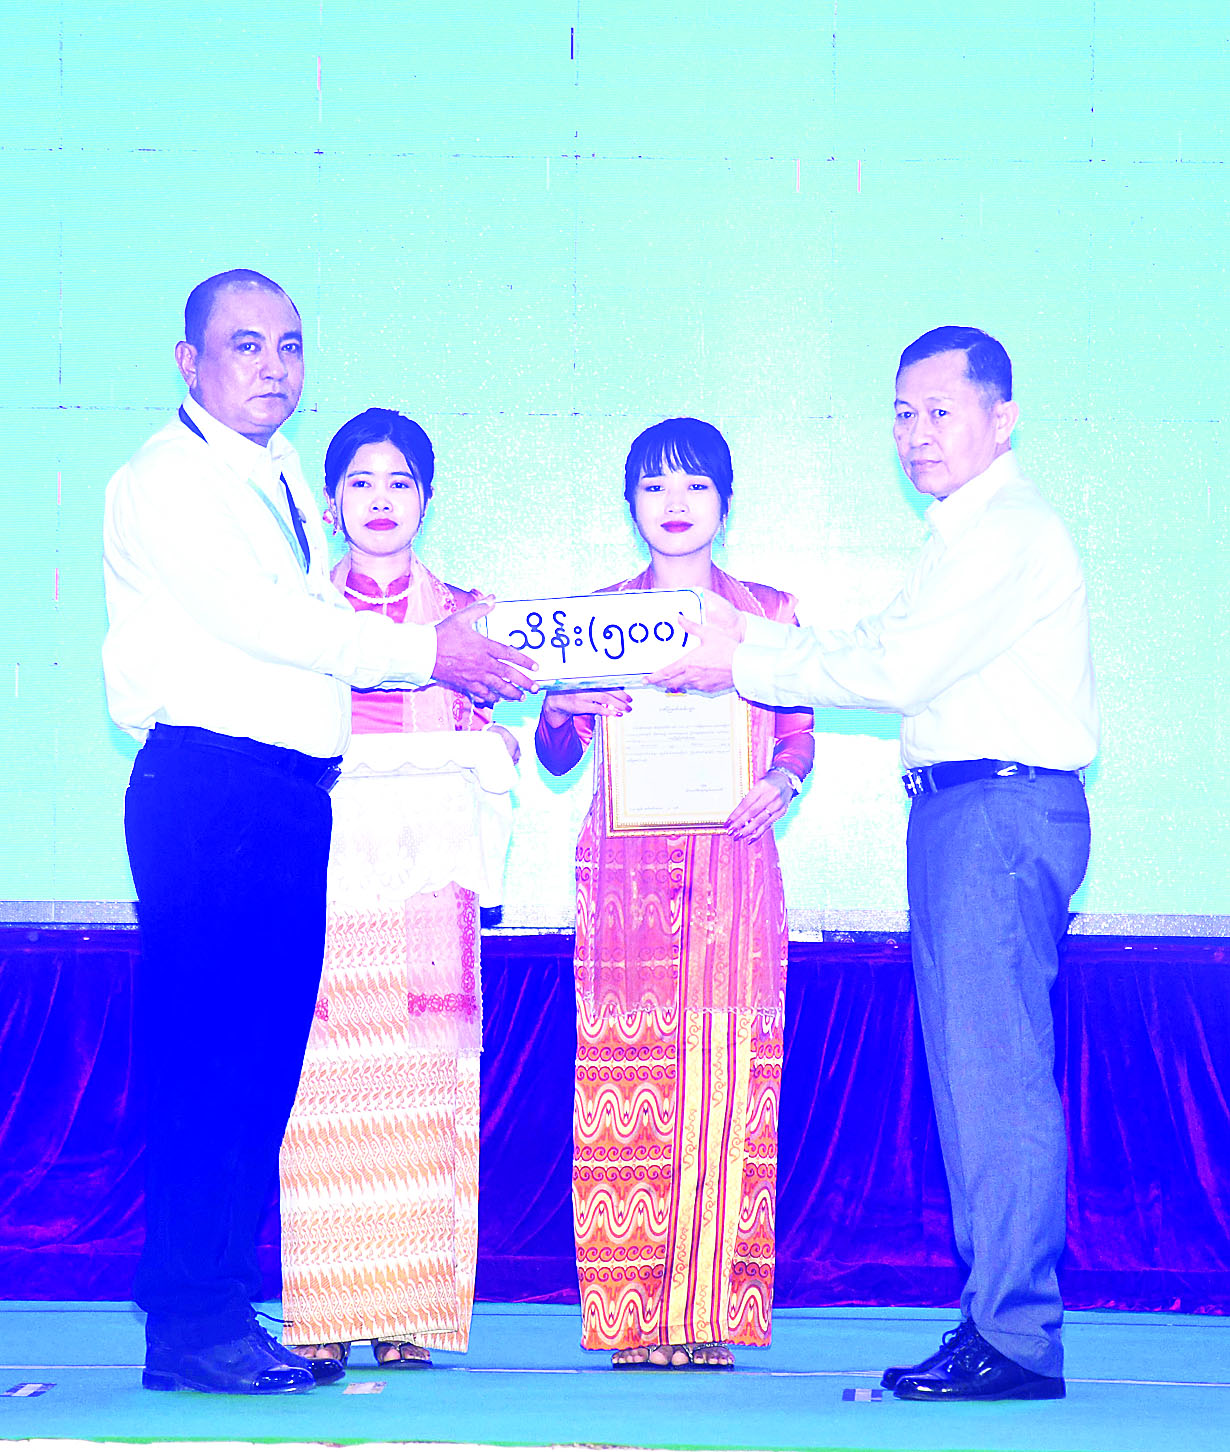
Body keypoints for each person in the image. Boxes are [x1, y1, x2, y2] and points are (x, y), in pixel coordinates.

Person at [102, 271, 533, 1396]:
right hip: (211, 789)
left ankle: (216, 1307)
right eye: (245, 345)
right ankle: (189, 1322)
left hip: (284, 796)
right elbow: (271, 624)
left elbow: (310, 615)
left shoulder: (282, 471)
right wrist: (434, 652)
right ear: (190, 362)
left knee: (257, 1064)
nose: (273, 367)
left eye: (289, 346)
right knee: (213, 1059)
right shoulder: (168, 478)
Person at [652, 328, 1098, 1401]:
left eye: (942, 411)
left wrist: (739, 655)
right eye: (903, 413)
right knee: (974, 1076)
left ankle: (1016, 1336)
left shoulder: (1009, 531)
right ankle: (994, 1320)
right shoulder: (961, 535)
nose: (917, 434)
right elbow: (878, 641)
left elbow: (894, 667)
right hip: (966, 812)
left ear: (1002, 418)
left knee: (994, 1076)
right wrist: (750, 641)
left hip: (996, 811)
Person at [535, 418, 815, 1370]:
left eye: (695, 485)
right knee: (628, 1081)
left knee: (729, 1084)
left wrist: (783, 781)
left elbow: (796, 735)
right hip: (625, 881)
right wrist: (561, 709)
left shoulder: (766, 613)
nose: (675, 503)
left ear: (725, 503)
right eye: (654, 486)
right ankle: (630, 1320)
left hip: (735, 869)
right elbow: (557, 754)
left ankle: (708, 1317)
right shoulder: (594, 616)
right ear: (630, 504)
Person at [279, 409, 518, 1369]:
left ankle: (413, 1313)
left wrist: (510, 737)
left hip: (432, 879)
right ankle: (325, 1316)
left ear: (426, 498)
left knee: (428, 1087)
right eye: (361, 483)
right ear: (332, 501)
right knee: (321, 1093)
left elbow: (507, 731)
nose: (381, 501)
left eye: (400, 483)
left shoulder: (471, 615)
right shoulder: (299, 613)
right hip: (325, 875)